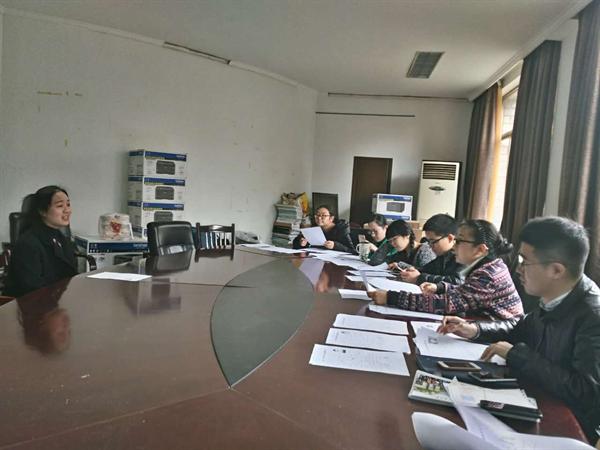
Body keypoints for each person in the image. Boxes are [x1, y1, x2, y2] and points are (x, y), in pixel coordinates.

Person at [437, 217, 600, 444]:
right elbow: (519, 326)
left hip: (564, 430)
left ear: (556, 270)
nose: (518, 269)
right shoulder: (555, 294)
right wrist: (474, 329)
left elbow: (585, 393)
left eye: (525, 261)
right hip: (532, 398)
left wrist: (517, 354)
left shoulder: (593, 315)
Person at [369, 219, 523, 319]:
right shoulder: (490, 266)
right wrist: (441, 287)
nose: (454, 246)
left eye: (459, 241)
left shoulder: (488, 274)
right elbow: (466, 292)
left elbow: (444, 304)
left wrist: (391, 297)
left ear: (480, 250)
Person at [4, 186, 78, 298]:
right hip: (30, 304)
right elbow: (32, 288)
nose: (67, 210)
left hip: (56, 299)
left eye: (68, 204)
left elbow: (69, 274)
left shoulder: (61, 238)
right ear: (42, 211)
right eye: (60, 206)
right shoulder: (28, 244)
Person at [399, 214, 464, 285]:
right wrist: (413, 271)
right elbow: (426, 269)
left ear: (450, 238)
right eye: (428, 241)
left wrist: (419, 277)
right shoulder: (443, 256)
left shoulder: (464, 256)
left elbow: (457, 281)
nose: (430, 246)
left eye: (433, 241)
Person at [368, 219, 435, 269]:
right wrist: (388, 243)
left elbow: (425, 273)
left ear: (407, 235)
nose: (392, 243)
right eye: (390, 241)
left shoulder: (425, 251)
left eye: (395, 239)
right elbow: (374, 262)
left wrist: (401, 265)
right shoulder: (402, 253)